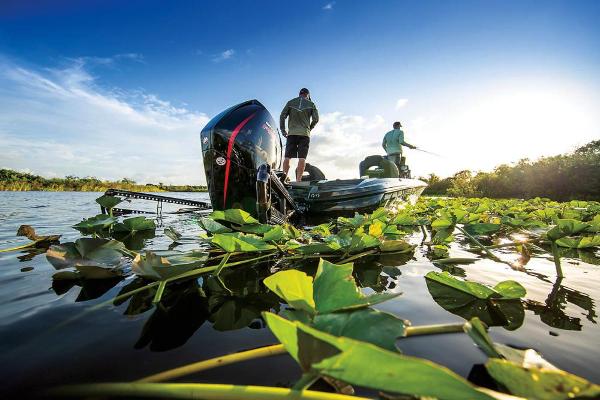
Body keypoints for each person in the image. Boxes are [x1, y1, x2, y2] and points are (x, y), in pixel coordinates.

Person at [280, 88, 319, 181]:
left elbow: (282, 116)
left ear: (299, 94)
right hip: (304, 134)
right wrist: (310, 128)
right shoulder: (311, 104)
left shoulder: (290, 102)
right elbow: (316, 119)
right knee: (302, 158)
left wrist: (283, 130)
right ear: (308, 95)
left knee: (287, 157)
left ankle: (284, 178)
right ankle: (298, 180)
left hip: (292, 133)